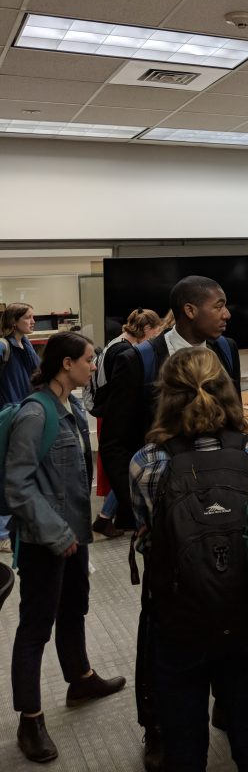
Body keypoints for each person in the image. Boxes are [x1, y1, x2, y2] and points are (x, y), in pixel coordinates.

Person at [99, 275, 239, 771]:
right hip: (163, 507)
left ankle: (228, 698)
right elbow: (115, 440)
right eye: (218, 306)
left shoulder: (225, 348)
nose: (226, 314)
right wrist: (140, 510)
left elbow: (233, 419)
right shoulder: (138, 359)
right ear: (187, 310)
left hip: (223, 503)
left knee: (228, 599)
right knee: (160, 617)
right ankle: (157, 723)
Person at [130, 348, 248, 772]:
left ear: (166, 396)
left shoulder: (147, 462)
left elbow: (146, 536)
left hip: (179, 618)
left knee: (184, 741)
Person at [5, 332, 126, 763]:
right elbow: (17, 485)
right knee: (36, 627)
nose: (94, 367)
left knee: (74, 609)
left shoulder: (72, 406)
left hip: (74, 536)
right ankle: (30, 719)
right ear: (66, 364)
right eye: (90, 360)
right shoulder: (35, 414)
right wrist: (56, 534)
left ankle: (81, 678)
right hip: (45, 540)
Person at [91, 307, 162, 540]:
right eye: (155, 332)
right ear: (147, 329)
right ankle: (105, 516)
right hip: (116, 416)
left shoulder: (116, 344)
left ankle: (105, 516)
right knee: (128, 466)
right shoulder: (126, 352)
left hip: (109, 414)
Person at [0, 304, 41, 553]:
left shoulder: (25, 346)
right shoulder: (4, 346)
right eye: (28, 317)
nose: (33, 321)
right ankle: (3, 533)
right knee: (6, 472)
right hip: (9, 415)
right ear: (14, 321)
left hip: (24, 414)